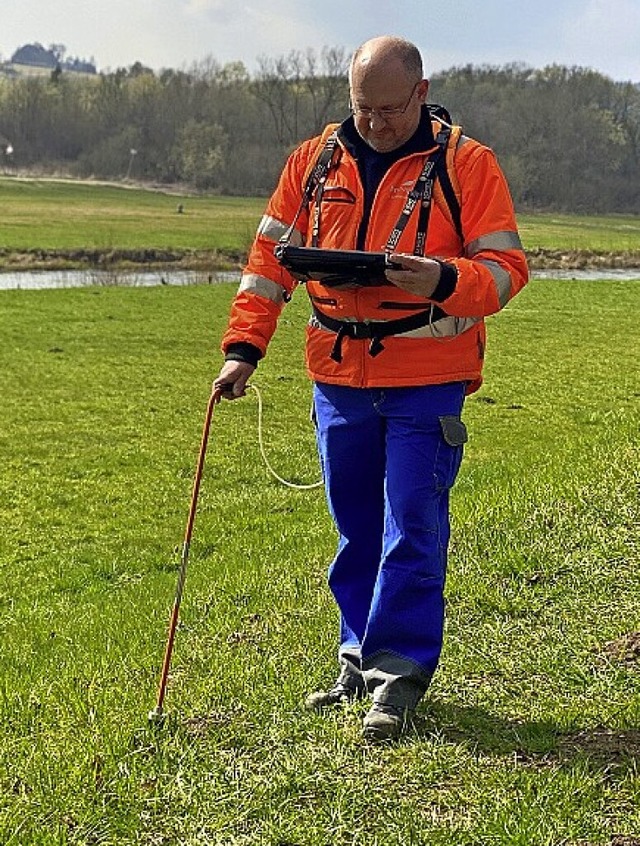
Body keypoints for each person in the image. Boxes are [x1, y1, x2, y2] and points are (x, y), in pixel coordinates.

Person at [214, 35, 528, 741]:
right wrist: (243, 350)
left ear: (421, 93)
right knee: (357, 528)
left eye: (390, 109)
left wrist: (445, 280)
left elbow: (507, 270)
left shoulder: (469, 164)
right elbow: (268, 264)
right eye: (363, 108)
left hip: (427, 381)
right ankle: (355, 662)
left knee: (410, 526)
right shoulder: (313, 160)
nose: (377, 123)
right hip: (338, 381)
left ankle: (399, 678)